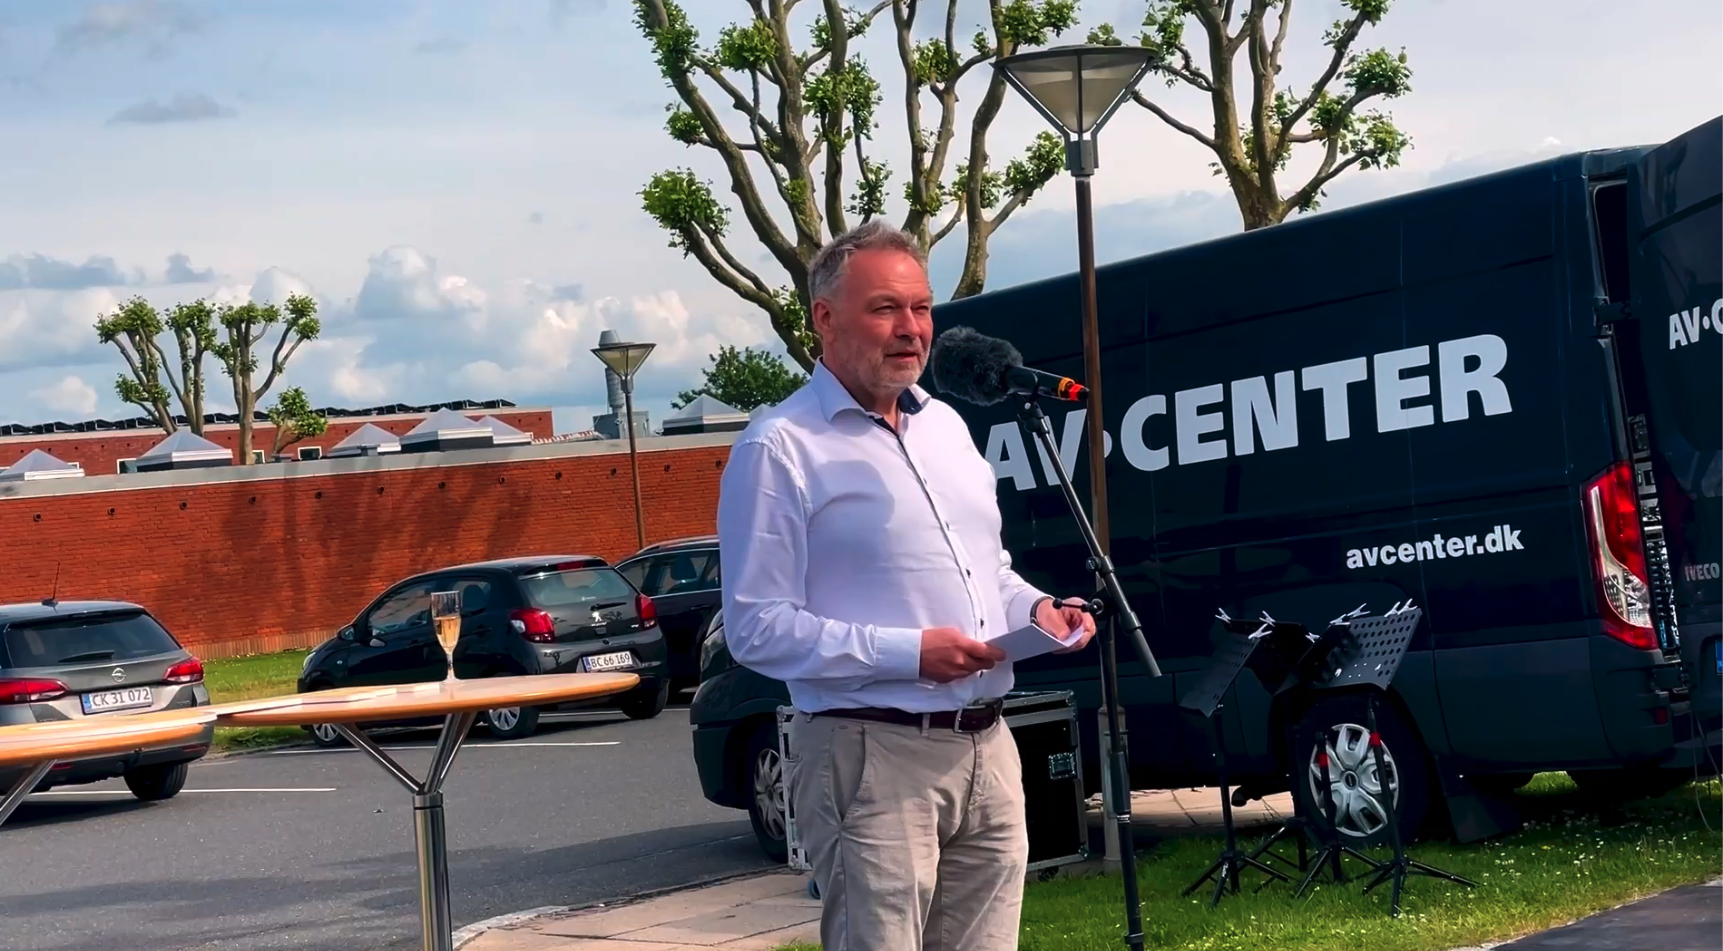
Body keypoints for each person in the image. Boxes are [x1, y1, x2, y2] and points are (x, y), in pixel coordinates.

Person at [715, 219, 1097, 950]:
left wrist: (1037, 608)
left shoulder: (947, 426)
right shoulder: (779, 448)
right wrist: (910, 653)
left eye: (921, 308)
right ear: (825, 318)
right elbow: (756, 628)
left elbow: (986, 571)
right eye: (885, 308)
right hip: (869, 752)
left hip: (988, 743)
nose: (911, 329)